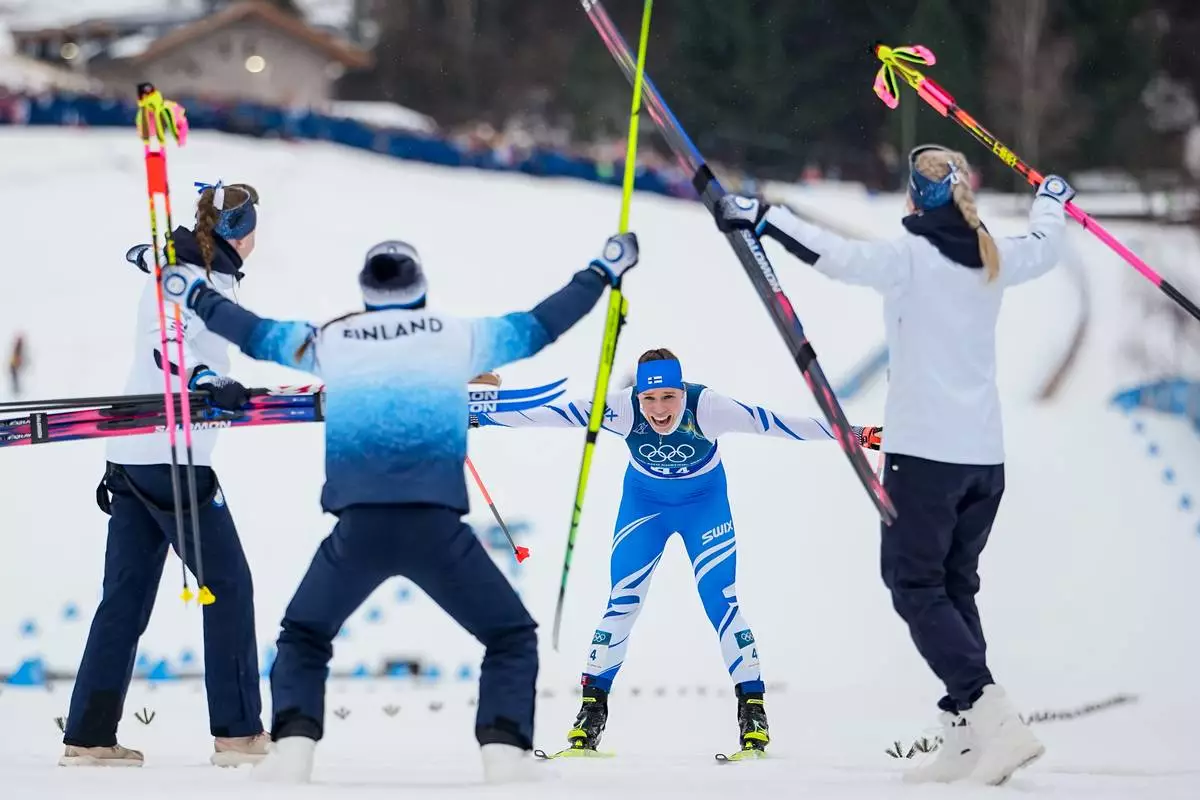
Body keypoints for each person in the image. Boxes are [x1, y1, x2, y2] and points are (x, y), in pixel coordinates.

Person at [159, 232, 640, 784]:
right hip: (437, 527)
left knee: (304, 636)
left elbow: (253, 334)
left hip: (357, 527)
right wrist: (603, 271)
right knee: (508, 637)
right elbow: (541, 325)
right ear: (420, 287)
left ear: (365, 290)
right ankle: (505, 756)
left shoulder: (332, 339)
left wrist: (192, 293)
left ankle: (292, 754)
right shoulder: (458, 337)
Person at [713, 145, 1071, 785]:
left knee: (914, 585)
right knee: (953, 588)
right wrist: (1054, 199)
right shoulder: (995, 255)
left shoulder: (910, 257)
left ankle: (994, 717)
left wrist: (761, 216)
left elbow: (837, 256)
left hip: (927, 458)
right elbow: (1045, 244)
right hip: (984, 462)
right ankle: (966, 738)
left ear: (913, 199)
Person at [474, 350, 882, 756]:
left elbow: (780, 424)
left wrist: (857, 433)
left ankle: (752, 715)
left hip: (703, 506)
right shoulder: (620, 408)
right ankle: (590, 718)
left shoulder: (708, 408)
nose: (658, 409)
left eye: (668, 396)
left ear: (681, 391)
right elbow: (549, 413)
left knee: (720, 601)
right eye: (649, 399)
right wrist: (479, 414)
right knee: (622, 603)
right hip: (644, 506)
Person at [62, 183, 267, 768]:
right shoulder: (185, 275)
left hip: (137, 457)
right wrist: (204, 378)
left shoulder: (193, 269)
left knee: (124, 599)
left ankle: (88, 737)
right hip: (170, 457)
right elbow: (165, 343)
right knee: (229, 585)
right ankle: (237, 735)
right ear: (240, 229)